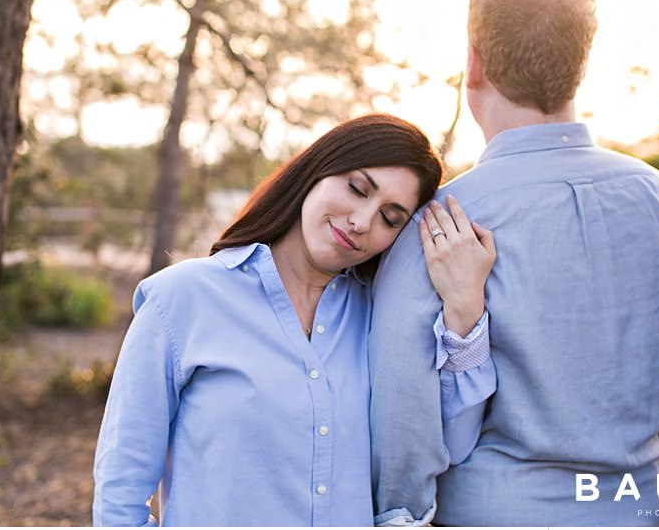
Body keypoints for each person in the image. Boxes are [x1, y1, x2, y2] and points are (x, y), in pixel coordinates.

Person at [369, 0, 659, 526]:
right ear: (578, 67)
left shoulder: (439, 227)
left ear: (474, 63)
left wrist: (402, 513)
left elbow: (402, 424)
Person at [92, 114, 498, 526]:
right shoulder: (183, 299)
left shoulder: (382, 322)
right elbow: (120, 491)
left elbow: (454, 442)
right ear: (317, 168)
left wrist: (464, 306)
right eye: (357, 188)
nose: (361, 222)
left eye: (390, 219)